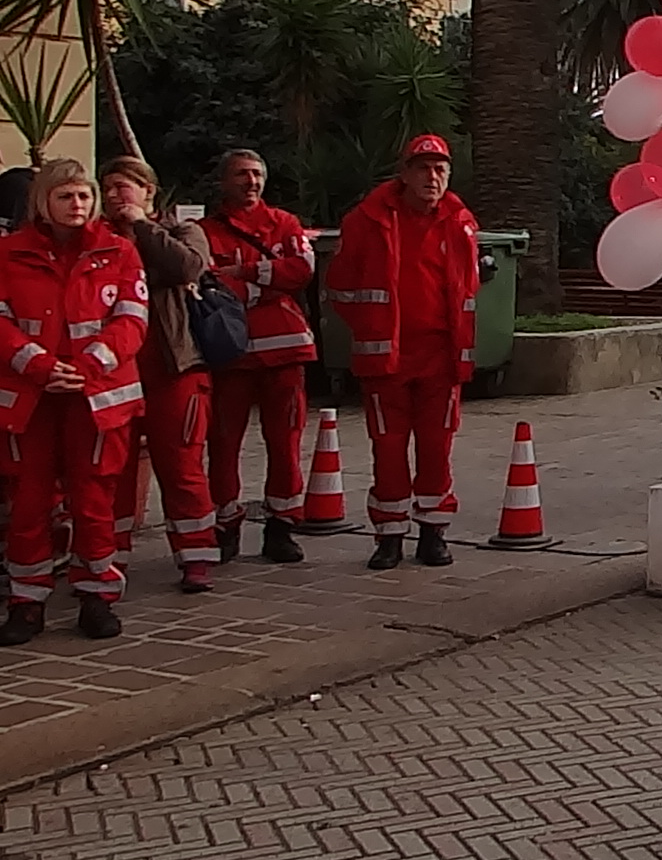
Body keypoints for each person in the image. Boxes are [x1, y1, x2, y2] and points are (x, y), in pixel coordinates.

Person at [0, 160, 150, 643]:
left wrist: (84, 368)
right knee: (28, 503)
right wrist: (39, 365)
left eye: (84, 196)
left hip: (96, 400)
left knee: (95, 502)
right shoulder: (7, 254)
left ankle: (97, 596)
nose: (78, 205)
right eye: (66, 196)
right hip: (32, 400)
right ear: (43, 201)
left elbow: (132, 322)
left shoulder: (120, 252)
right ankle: (27, 602)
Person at [326, 135, 479, 571]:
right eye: (423, 168)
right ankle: (389, 535)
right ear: (405, 173)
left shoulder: (460, 221)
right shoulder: (366, 221)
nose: (432, 178)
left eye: (440, 169)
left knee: (437, 449)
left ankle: (433, 534)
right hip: (385, 360)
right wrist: (374, 329)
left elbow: (467, 290)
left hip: (440, 358)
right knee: (388, 451)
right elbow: (339, 287)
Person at [100, 158, 221, 594]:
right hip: (113, 375)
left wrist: (143, 228)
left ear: (148, 191)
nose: (114, 196)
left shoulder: (180, 232)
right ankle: (107, 558)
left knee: (182, 467)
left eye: (124, 187)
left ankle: (196, 556)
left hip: (175, 369)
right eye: (108, 188)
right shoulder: (97, 239)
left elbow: (188, 267)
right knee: (112, 471)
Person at [199, 149, 315, 564]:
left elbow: (301, 271)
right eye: (242, 174)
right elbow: (208, 286)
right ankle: (225, 525)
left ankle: (282, 526)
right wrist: (270, 282)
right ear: (224, 181)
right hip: (230, 358)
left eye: (258, 174)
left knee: (285, 444)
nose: (251, 181)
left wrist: (244, 276)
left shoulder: (284, 223)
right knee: (224, 445)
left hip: (284, 355)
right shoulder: (204, 231)